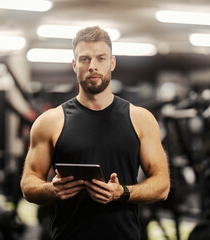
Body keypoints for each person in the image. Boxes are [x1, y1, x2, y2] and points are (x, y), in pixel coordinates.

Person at [20, 26, 170, 240]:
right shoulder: (50, 122)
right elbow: (28, 184)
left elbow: (162, 185)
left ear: (112, 63)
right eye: (84, 59)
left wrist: (123, 193)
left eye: (101, 58)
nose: (93, 66)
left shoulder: (140, 119)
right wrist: (53, 190)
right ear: (74, 65)